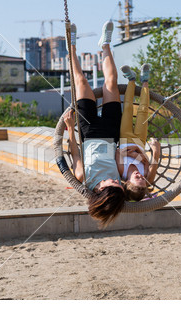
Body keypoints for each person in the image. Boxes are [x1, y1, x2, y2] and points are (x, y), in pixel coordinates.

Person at [64, 20, 125, 227]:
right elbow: (136, 188)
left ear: (100, 189)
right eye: (119, 184)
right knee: (111, 82)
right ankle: (105, 45)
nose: (116, 181)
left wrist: (70, 128)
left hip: (88, 132)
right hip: (112, 130)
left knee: (81, 82)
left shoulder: (84, 178)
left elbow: (74, 152)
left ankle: (71, 46)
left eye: (113, 183)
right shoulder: (119, 184)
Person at [117, 64, 161, 201]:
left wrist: (137, 154)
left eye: (137, 178)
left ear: (128, 182)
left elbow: (118, 152)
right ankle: (145, 81)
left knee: (128, 109)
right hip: (140, 140)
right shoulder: (145, 173)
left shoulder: (121, 171)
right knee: (143, 111)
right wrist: (136, 151)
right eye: (142, 178)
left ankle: (131, 80)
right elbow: (149, 164)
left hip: (124, 138)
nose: (140, 175)